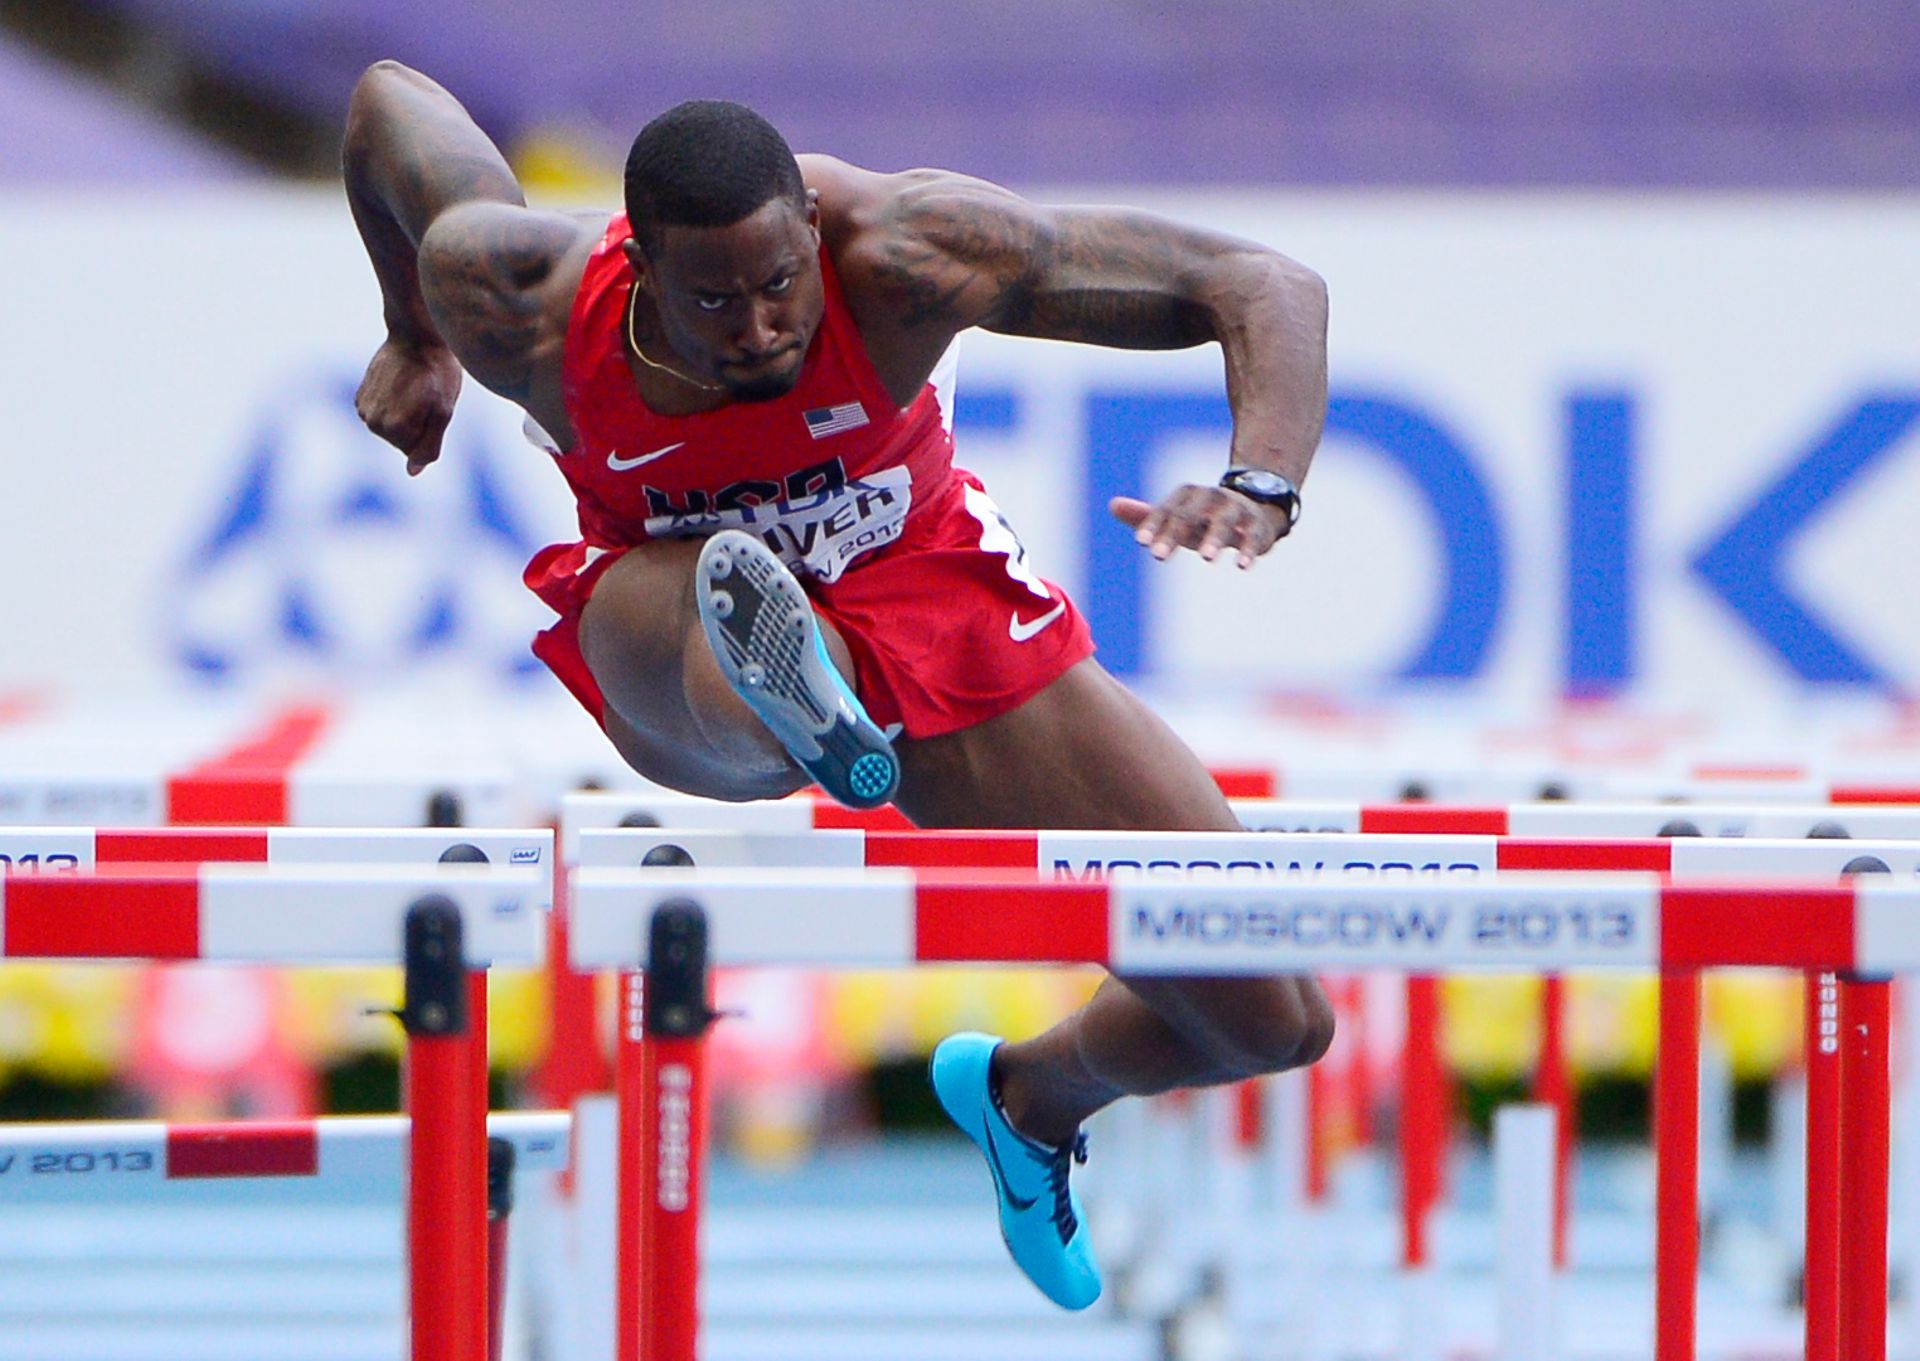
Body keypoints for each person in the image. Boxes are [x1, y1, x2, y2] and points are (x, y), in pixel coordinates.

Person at [345, 60, 1335, 1310]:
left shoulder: (909, 250)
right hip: (664, 621)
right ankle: (791, 694)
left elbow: (1262, 284)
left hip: (927, 584)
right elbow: (385, 103)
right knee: (719, 590)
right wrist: (412, 332)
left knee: (1273, 1015)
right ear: (636, 266)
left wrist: (1259, 481)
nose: (760, 326)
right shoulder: (519, 293)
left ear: (814, 234)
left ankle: (1028, 1097)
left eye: (778, 285)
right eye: (715, 302)